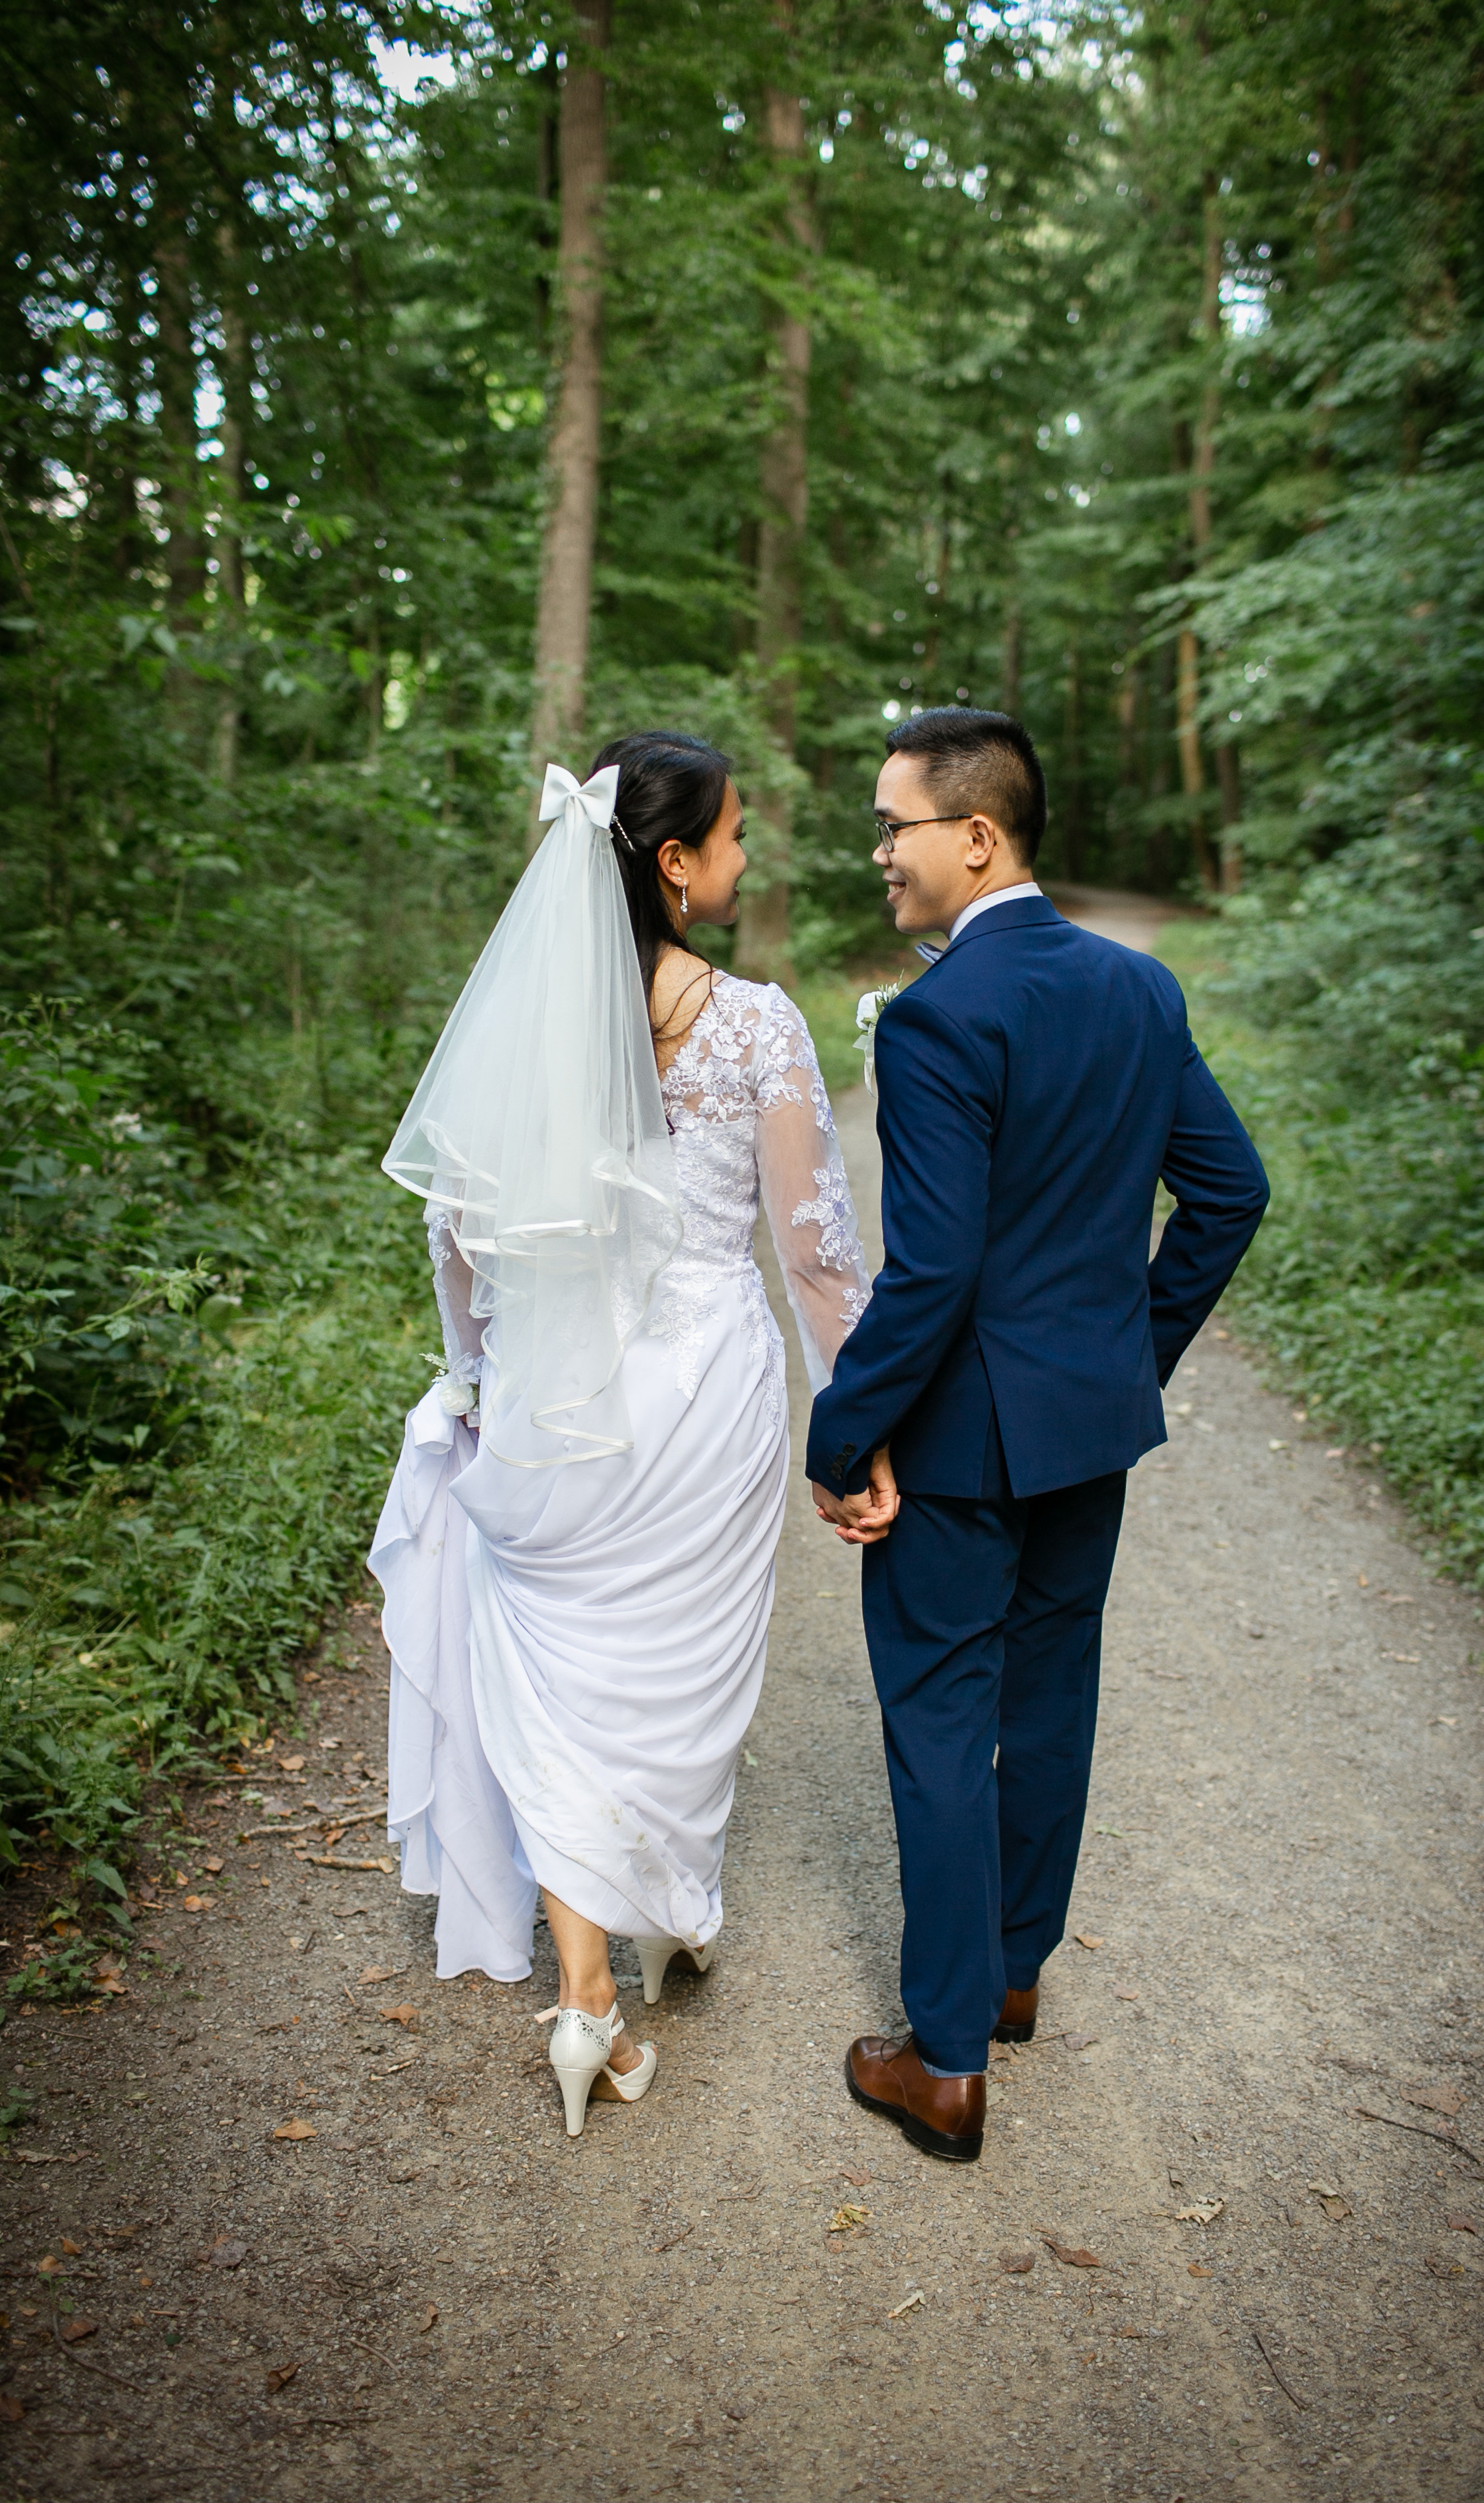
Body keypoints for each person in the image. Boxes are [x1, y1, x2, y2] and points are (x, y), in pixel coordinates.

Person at [369, 733, 872, 2136]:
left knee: (560, 1671)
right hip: (705, 1386)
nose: (743, 856)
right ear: (671, 861)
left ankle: (587, 1998)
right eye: (730, 835)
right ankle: (667, 1911)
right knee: (674, 1671)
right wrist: (863, 1412)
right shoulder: (760, 1023)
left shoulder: (524, 1022)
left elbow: (455, 1231)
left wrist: (471, 1377)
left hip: (557, 1392)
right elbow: (815, 1249)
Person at [807, 707, 1269, 2163]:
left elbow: (932, 1272)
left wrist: (842, 1432)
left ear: (976, 835)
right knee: (1047, 1694)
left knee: (941, 1718)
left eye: (894, 824)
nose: (878, 849)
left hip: (955, 1444)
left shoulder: (944, 1015)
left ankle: (942, 2060)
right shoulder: (1138, 991)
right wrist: (1125, 1354)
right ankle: (1008, 1973)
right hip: (1084, 1426)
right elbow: (1230, 1191)